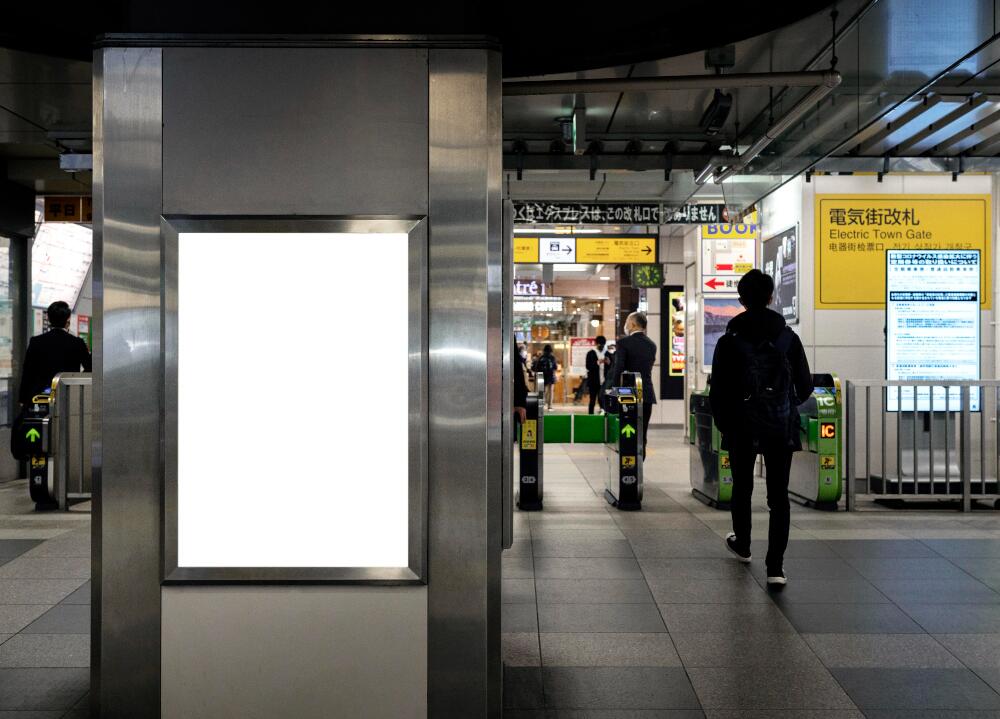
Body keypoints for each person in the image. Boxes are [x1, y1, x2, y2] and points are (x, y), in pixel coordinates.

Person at [709, 269, 812, 587]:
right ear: (771, 298)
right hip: (780, 427)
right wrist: (783, 406)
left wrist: (726, 424)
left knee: (742, 488)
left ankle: (743, 544)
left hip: (741, 427)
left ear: (741, 300)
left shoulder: (729, 341)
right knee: (778, 497)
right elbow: (805, 386)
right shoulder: (787, 339)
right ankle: (776, 568)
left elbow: (719, 392)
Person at [18, 301, 92, 406]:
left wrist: (23, 398)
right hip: (68, 396)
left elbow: (28, 371)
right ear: (68, 319)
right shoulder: (77, 343)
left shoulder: (36, 341)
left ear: (48, 319)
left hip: (41, 398)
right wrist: (75, 381)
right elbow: (90, 368)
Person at [606, 313, 656, 457]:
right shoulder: (651, 345)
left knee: (627, 431)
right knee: (642, 433)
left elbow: (618, 369)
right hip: (646, 394)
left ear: (633, 324)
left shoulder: (624, 343)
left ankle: (629, 467)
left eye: (627, 321)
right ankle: (639, 466)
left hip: (628, 394)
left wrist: (613, 390)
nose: (626, 325)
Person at [585, 335, 607, 415]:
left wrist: (608, 363)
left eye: (603, 345)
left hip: (604, 381)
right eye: (600, 345)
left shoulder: (607, 353)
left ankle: (604, 416)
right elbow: (588, 366)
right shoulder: (591, 353)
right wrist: (598, 362)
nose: (601, 347)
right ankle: (590, 415)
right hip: (593, 381)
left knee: (602, 400)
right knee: (592, 399)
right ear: (596, 344)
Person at [533, 344, 558, 409]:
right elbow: (555, 367)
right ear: (551, 350)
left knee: (542, 391)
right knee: (550, 391)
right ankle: (550, 406)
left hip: (542, 376)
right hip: (550, 376)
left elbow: (537, 368)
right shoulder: (552, 357)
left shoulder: (541, 358)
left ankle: (541, 405)